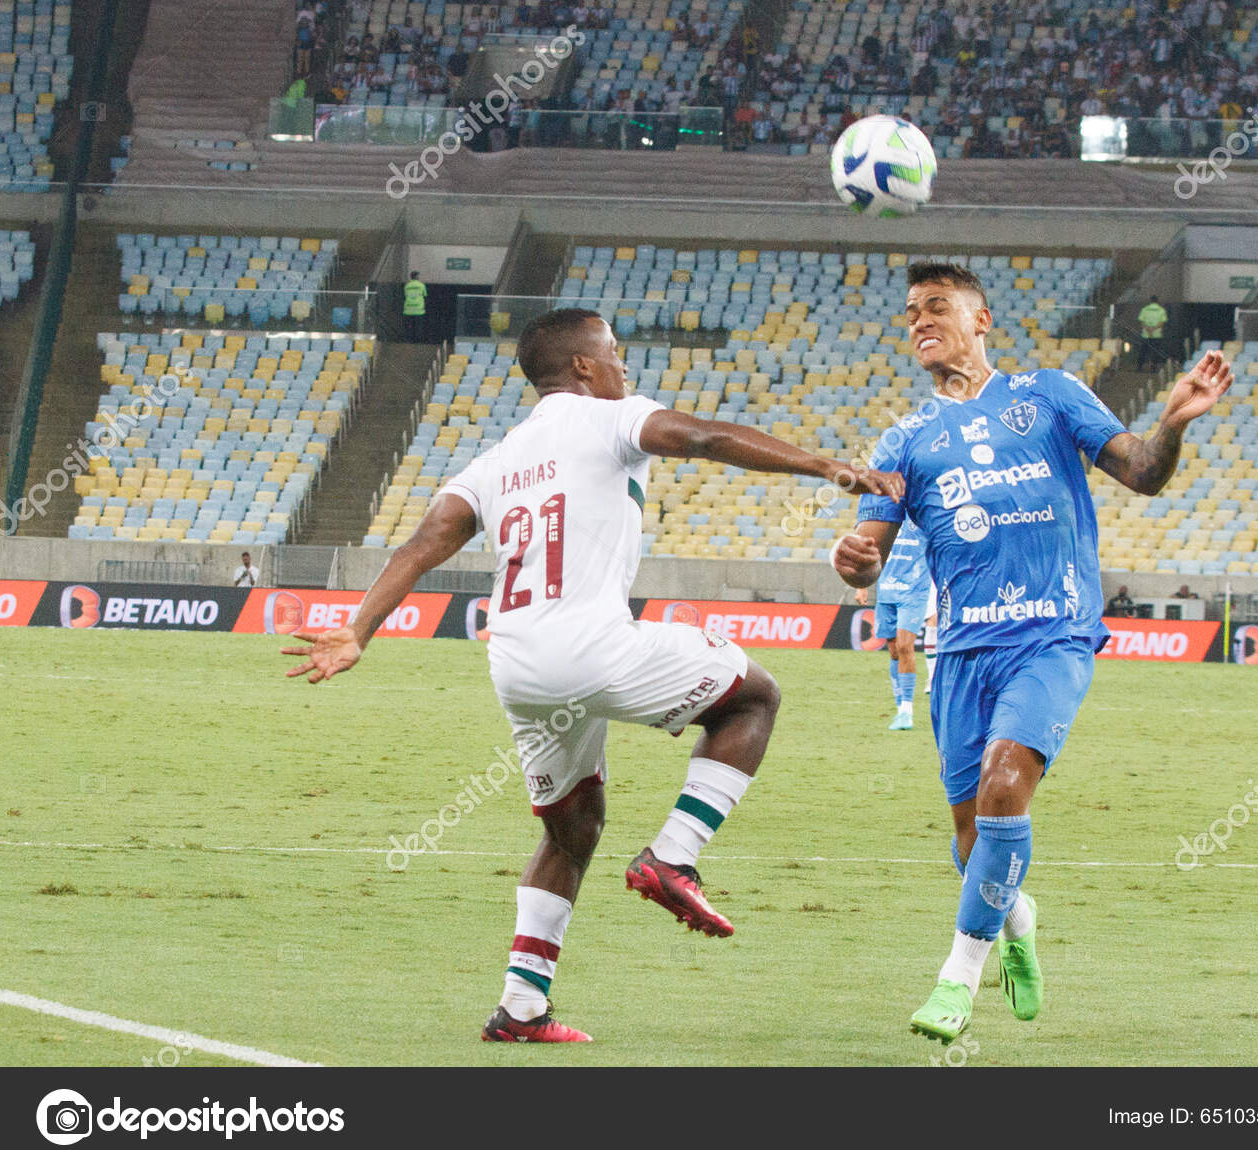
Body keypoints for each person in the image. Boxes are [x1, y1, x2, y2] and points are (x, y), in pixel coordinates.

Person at [283, 308, 899, 1042]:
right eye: (613, 352)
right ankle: (673, 858)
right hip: (592, 646)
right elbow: (704, 437)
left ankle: (519, 1009)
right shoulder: (609, 418)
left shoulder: (496, 459)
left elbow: (421, 545)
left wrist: (358, 628)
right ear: (582, 367)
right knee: (754, 698)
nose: (623, 365)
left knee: (571, 831)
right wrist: (821, 465)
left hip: (516, 663)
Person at [830, 262, 1232, 1042]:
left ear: (982, 321)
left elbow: (1143, 472)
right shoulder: (904, 441)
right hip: (962, 652)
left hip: (1053, 635)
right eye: (912, 310)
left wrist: (1174, 422)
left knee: (1006, 787)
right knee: (971, 836)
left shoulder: (1050, 394)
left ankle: (956, 979)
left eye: (938, 306)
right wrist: (855, 561)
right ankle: (1017, 917)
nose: (921, 319)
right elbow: (870, 554)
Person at [854, 518, 933, 730]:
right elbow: (867, 547)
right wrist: (861, 584)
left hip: (914, 590)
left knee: (905, 646)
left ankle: (907, 711)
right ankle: (900, 710)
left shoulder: (923, 512)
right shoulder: (886, 518)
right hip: (886, 589)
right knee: (893, 651)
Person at [1135, 295, 1167, 371]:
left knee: (1143, 351)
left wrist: (1148, 329)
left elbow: (1141, 322)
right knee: (1155, 352)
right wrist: (1153, 329)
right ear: (1157, 301)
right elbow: (1162, 322)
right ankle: (1153, 368)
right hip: (1157, 335)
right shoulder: (1161, 310)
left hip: (1146, 334)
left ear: (1150, 301)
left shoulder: (1145, 309)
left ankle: (1140, 367)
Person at [402, 270, 428, 342]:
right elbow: (425, 295)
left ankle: (408, 340)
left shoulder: (407, 285)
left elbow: (405, 296)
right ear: (417, 276)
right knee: (418, 327)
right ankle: (418, 341)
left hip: (408, 310)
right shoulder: (421, 285)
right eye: (418, 276)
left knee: (409, 327)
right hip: (419, 310)